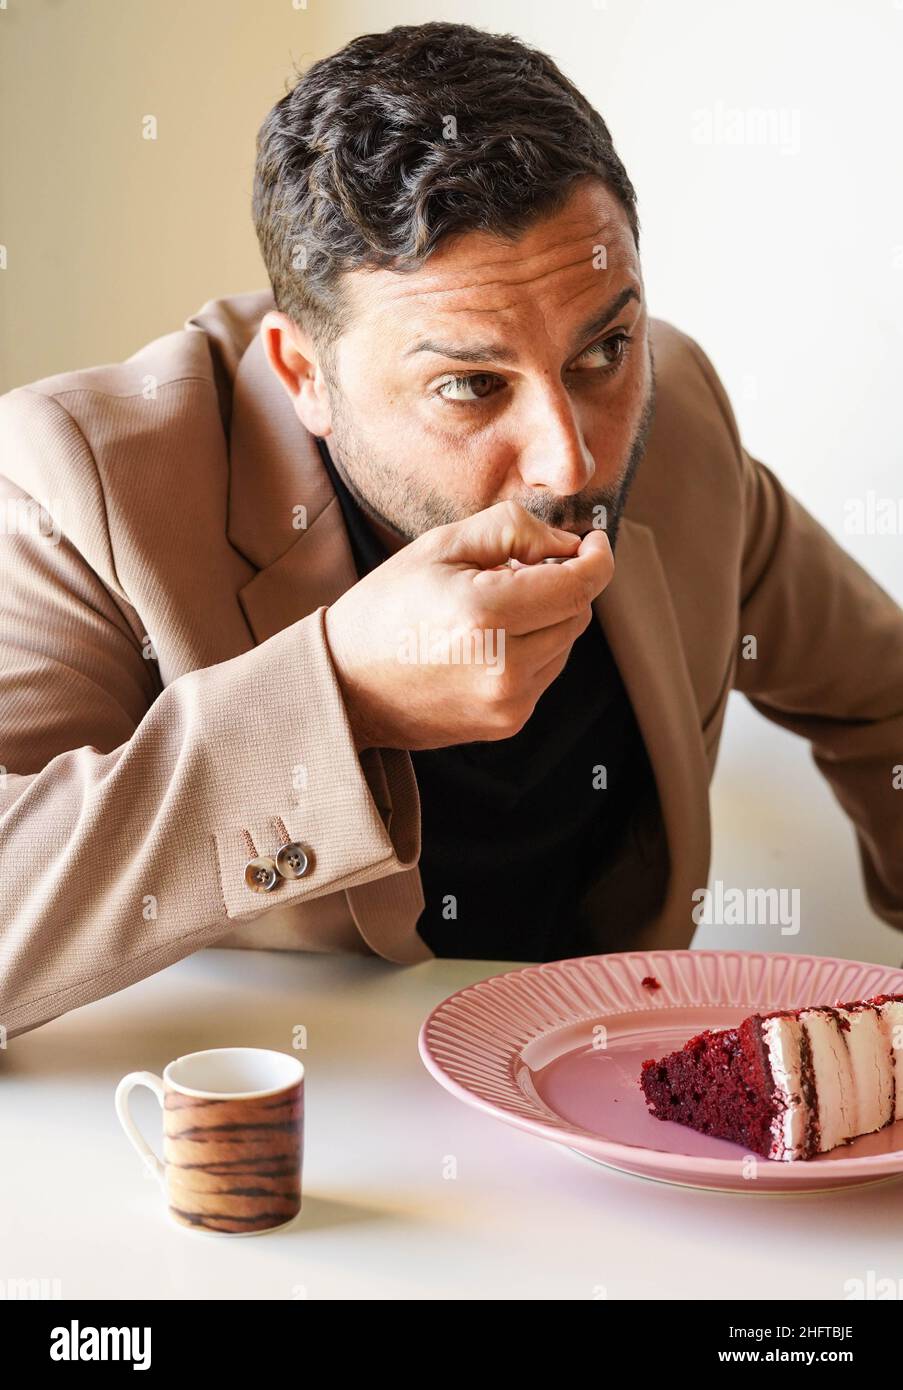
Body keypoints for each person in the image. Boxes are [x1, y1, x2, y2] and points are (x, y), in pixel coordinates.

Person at [1, 21, 901, 1042]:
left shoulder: (679, 414)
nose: (570, 461)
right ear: (305, 375)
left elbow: (885, 698)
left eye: (604, 348)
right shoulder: (83, 480)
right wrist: (336, 695)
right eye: (472, 385)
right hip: (297, 1162)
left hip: (611, 1127)